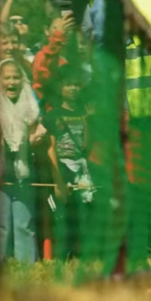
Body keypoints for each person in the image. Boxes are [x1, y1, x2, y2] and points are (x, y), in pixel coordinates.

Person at [0, 59, 57, 264]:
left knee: (24, 221)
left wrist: (33, 139)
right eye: (7, 78)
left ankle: (27, 264)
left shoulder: (31, 106)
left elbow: (39, 134)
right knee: (1, 223)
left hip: (24, 170)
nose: (12, 82)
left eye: (16, 77)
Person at [44, 66, 95, 256]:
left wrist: (88, 121)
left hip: (82, 167)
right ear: (60, 88)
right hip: (62, 167)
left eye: (76, 85)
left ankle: (82, 255)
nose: (73, 88)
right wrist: (57, 180)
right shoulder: (53, 115)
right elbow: (51, 148)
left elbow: (86, 147)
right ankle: (61, 255)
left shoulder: (84, 112)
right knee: (62, 214)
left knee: (84, 212)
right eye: (68, 85)